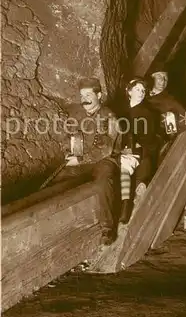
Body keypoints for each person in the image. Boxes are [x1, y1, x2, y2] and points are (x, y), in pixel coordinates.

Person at [52, 77, 138, 245]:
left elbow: (105, 149)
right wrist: (68, 152)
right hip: (81, 161)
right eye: (82, 95)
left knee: (103, 182)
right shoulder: (76, 116)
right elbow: (67, 138)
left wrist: (80, 160)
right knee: (58, 180)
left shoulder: (109, 116)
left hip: (105, 160)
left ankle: (107, 227)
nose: (84, 99)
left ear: (99, 96)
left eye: (89, 94)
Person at [124, 77, 161, 208]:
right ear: (129, 91)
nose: (141, 92)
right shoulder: (123, 111)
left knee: (143, 161)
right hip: (126, 148)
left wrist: (135, 144)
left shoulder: (146, 112)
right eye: (137, 89)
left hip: (145, 148)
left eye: (143, 90)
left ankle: (141, 188)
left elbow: (149, 138)